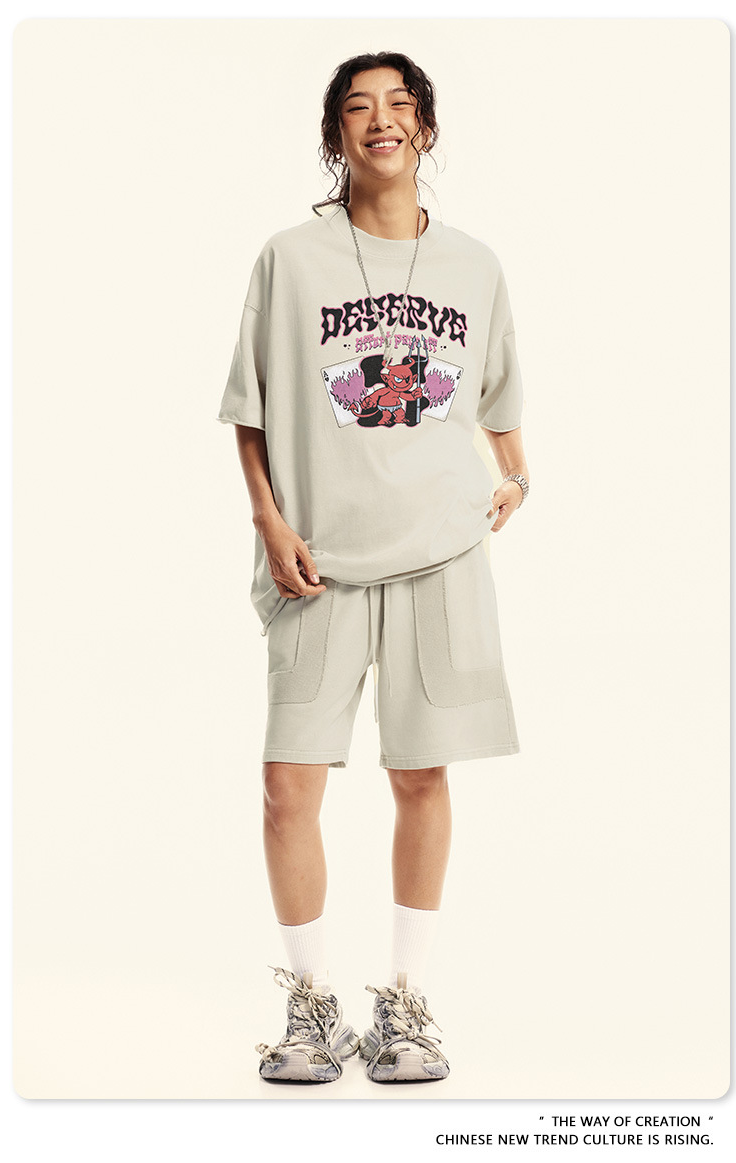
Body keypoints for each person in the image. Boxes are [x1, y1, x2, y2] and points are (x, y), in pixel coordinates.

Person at [217, 50, 530, 1085]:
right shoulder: (290, 259)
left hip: (440, 551)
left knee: (421, 773)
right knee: (286, 785)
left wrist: (516, 475)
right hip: (317, 559)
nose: (380, 119)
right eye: (358, 107)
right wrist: (268, 520)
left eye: (400, 105)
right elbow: (252, 408)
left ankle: (404, 1003)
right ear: (335, 135)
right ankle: (311, 1007)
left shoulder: (474, 265)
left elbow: (498, 402)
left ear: (425, 130)